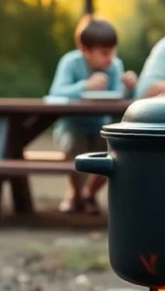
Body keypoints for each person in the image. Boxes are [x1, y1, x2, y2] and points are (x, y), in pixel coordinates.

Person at [48, 15, 137, 214]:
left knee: (114, 155)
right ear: (85, 50)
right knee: (73, 148)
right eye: (104, 53)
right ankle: (76, 194)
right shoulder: (71, 62)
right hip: (71, 127)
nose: (110, 58)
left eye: (113, 51)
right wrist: (84, 86)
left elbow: (119, 97)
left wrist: (129, 88)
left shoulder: (114, 66)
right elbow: (56, 92)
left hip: (100, 127)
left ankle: (87, 194)